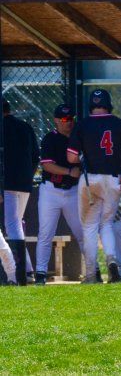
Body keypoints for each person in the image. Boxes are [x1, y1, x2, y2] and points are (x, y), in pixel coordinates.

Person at [67, 89, 121, 283]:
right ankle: (111, 259)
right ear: (109, 104)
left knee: (90, 226)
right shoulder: (118, 123)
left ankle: (91, 275)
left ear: (91, 105)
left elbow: (71, 157)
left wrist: (83, 154)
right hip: (114, 179)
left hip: (90, 179)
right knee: (106, 223)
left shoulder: (82, 124)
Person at [35, 104, 94, 285]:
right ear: (56, 120)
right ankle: (41, 274)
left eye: (71, 119)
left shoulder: (79, 139)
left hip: (74, 191)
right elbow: (46, 165)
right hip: (51, 190)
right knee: (45, 233)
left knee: (82, 232)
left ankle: (93, 272)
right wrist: (69, 171)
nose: (68, 122)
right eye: (64, 119)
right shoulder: (50, 139)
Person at [2, 98, 39, 285]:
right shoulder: (25, 126)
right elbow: (36, 156)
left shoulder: (3, 128)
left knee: (13, 225)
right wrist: (28, 176)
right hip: (25, 183)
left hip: (7, 184)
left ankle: (21, 273)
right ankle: (28, 271)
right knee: (16, 224)